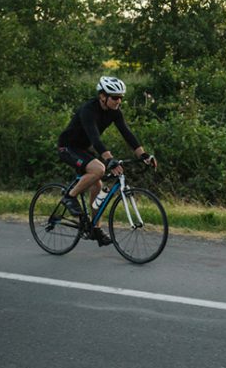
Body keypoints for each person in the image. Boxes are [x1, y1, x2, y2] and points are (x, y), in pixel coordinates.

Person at [56, 76, 158, 245]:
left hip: (82, 149)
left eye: (121, 98)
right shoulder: (88, 110)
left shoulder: (115, 112)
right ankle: (69, 196)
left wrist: (143, 155)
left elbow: (127, 134)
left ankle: (94, 228)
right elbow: (95, 139)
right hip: (67, 147)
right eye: (115, 97)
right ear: (102, 96)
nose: (118, 101)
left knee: (98, 186)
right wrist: (110, 160)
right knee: (99, 169)